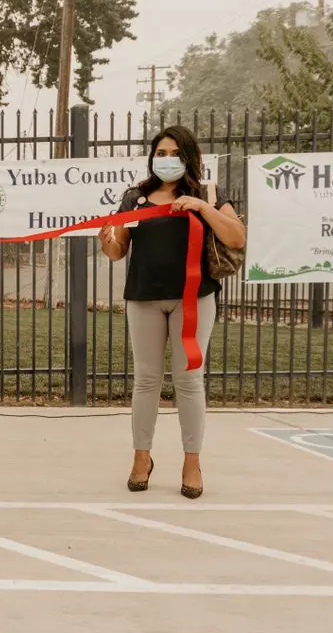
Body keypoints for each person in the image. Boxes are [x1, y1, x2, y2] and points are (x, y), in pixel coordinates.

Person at [100, 125, 245, 500]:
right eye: (160, 153)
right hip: (144, 297)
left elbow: (236, 237)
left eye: (174, 153)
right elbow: (117, 252)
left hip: (194, 298)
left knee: (189, 381)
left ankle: (192, 462)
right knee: (146, 380)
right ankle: (141, 458)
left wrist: (201, 207)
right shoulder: (135, 197)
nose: (166, 160)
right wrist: (109, 239)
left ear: (189, 157)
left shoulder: (208, 193)